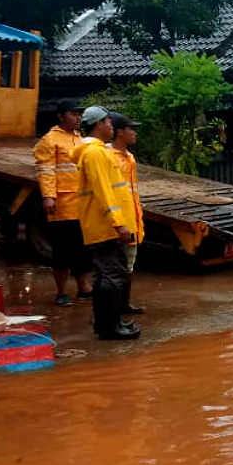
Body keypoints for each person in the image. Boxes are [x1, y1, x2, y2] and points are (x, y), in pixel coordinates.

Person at [71, 106, 141, 340]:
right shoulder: (95, 153)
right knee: (112, 274)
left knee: (104, 275)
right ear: (98, 124)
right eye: (109, 123)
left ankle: (107, 323)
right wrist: (118, 223)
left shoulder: (95, 151)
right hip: (106, 226)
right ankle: (111, 327)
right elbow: (104, 192)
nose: (112, 127)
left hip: (102, 225)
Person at [32, 99, 94, 306]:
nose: (78, 117)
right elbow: (46, 170)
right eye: (73, 114)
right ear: (61, 117)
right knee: (63, 250)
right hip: (63, 205)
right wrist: (48, 196)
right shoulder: (50, 140)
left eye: (79, 114)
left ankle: (84, 289)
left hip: (82, 205)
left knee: (83, 249)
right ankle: (61, 292)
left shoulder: (80, 139)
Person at [108, 112, 145, 314]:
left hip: (132, 219)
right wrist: (118, 221)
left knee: (128, 264)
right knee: (115, 266)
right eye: (132, 129)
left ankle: (123, 303)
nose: (135, 133)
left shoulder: (129, 157)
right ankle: (114, 307)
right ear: (120, 132)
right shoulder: (108, 157)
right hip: (118, 221)